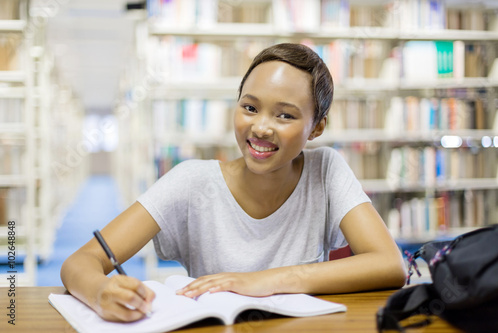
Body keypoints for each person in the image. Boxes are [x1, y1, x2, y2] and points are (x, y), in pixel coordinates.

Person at [61, 43, 406, 322]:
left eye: (285, 115)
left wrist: (264, 281)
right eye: (250, 107)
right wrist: (100, 293)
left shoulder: (326, 169)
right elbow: (80, 262)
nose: (261, 128)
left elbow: (390, 264)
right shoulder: (192, 180)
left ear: (317, 127)